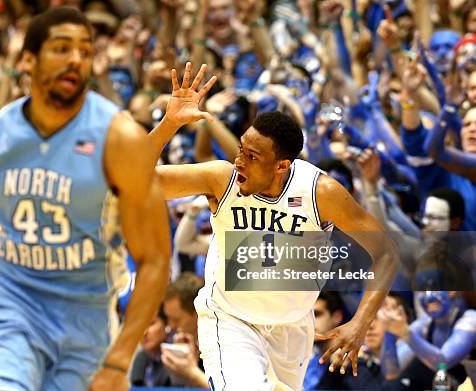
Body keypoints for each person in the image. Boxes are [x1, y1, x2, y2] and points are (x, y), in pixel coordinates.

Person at [0, 6, 211, 391]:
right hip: (14, 307)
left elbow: (154, 261)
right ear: (28, 59)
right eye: (62, 48)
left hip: (86, 316)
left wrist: (118, 361)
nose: (76, 59)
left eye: (85, 49)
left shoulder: (117, 137)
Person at [149, 62, 399, 390]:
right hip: (231, 319)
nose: (240, 161)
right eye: (241, 149)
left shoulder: (319, 192)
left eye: (252, 157)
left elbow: (386, 253)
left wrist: (361, 322)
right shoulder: (221, 179)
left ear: (281, 165)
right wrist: (169, 124)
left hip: (292, 329)